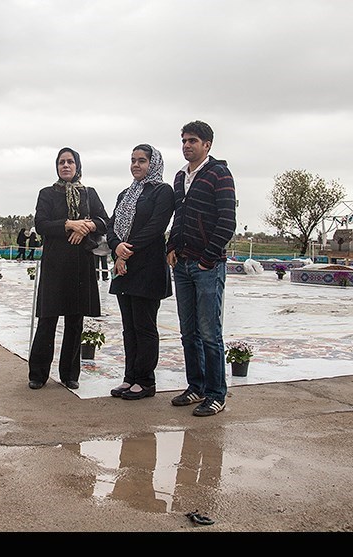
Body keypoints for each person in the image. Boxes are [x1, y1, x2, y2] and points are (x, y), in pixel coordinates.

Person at [166, 121, 236, 417]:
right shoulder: (180, 176)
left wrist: (208, 257)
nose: (186, 146)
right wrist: (170, 246)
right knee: (188, 331)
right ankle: (195, 386)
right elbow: (178, 217)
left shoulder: (219, 173)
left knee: (210, 333)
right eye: (183, 141)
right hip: (182, 265)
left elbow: (227, 220)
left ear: (207, 144)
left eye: (192, 141)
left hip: (207, 266)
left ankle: (216, 394)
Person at [28, 147, 109, 390]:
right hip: (55, 263)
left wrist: (85, 226)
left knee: (75, 321)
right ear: (57, 166)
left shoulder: (89, 193)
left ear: (77, 166)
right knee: (48, 319)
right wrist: (69, 225)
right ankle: (38, 374)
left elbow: (104, 221)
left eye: (70, 162)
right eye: (62, 162)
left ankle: (70, 374)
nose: (66, 166)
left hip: (80, 264)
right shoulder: (47, 194)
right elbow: (41, 224)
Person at [106, 144, 175, 400]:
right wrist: (116, 247)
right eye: (133, 160)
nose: (136, 165)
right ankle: (130, 377)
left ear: (153, 164)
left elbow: (156, 226)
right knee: (129, 327)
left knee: (145, 326)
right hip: (124, 267)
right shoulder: (125, 194)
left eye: (142, 160)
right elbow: (112, 226)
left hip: (147, 267)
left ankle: (146, 381)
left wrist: (126, 250)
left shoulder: (162, 191)